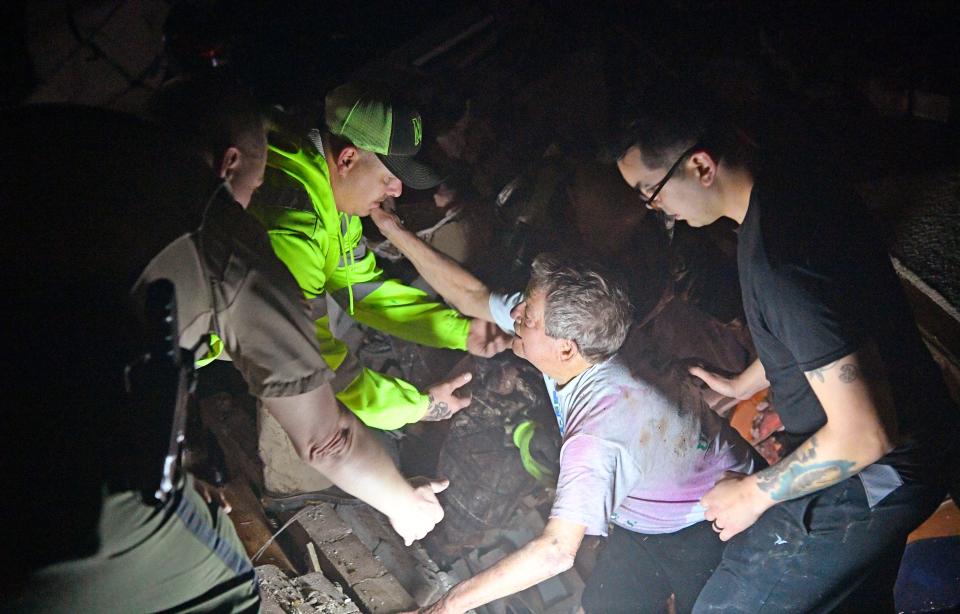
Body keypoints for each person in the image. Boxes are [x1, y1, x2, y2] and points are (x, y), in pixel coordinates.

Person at [1, 72, 447, 612]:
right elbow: (326, 441)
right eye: (251, 189)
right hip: (52, 477)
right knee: (228, 590)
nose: (250, 202)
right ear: (228, 163)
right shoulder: (223, 234)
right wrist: (404, 504)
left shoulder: (68, 129)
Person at [614, 82, 960, 612]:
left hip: (883, 466)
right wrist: (741, 383)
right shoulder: (794, 185)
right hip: (915, 422)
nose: (658, 210)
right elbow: (832, 331)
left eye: (651, 192)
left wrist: (753, 495)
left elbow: (866, 434)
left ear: (700, 166)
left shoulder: (780, 264)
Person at [369, 210, 762, 613]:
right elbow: (472, 297)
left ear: (566, 348)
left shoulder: (595, 434)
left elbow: (556, 550)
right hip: (645, 515)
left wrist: (444, 608)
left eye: (529, 318)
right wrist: (391, 228)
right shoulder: (595, 333)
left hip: (722, 525)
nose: (517, 316)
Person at [248, 82, 509, 498]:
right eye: (389, 177)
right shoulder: (295, 222)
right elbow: (314, 359)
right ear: (348, 158)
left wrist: (461, 331)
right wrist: (417, 407)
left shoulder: (327, 193)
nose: (396, 192)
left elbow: (364, 289)